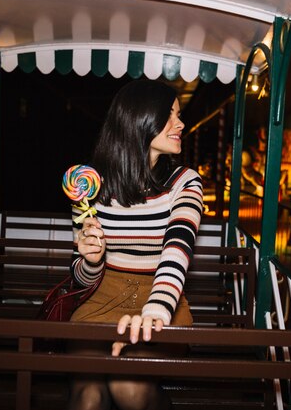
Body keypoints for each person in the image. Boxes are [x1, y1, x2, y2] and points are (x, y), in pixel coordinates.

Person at [68, 79, 204, 410]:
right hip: (99, 305)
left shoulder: (186, 182)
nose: (181, 124)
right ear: (140, 119)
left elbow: (178, 248)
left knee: (128, 384)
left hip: (162, 304)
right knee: (88, 395)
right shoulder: (89, 186)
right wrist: (90, 259)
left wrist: (156, 311)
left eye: (179, 114)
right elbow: (80, 279)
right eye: (170, 115)